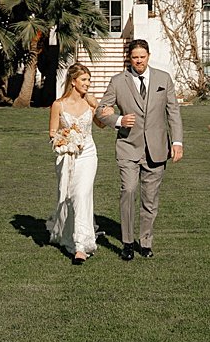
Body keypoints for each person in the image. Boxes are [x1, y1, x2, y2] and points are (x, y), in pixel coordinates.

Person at [94, 39, 183, 260]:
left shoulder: (164, 79)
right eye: (135, 57)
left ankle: (145, 242)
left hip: (157, 149)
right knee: (129, 191)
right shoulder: (117, 81)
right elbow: (100, 111)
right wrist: (118, 120)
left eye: (142, 57)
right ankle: (126, 243)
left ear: (148, 56)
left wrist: (177, 143)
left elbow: (173, 113)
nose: (139, 61)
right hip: (128, 148)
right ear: (129, 58)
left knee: (150, 199)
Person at [47, 63, 99, 264]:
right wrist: (64, 140)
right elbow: (52, 133)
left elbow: (101, 124)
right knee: (69, 196)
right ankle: (68, 234)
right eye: (84, 80)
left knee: (81, 194)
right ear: (73, 82)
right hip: (67, 156)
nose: (88, 84)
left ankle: (80, 245)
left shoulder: (90, 102)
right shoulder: (58, 104)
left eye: (89, 80)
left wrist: (100, 108)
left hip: (88, 154)